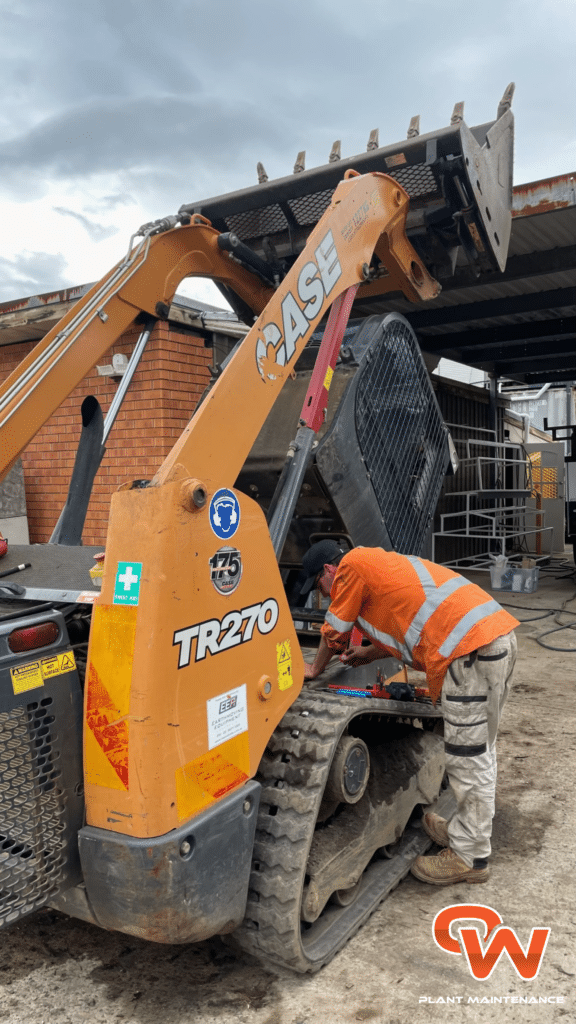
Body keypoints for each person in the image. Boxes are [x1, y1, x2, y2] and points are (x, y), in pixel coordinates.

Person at [300, 541, 519, 886]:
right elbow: (403, 631)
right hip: (489, 639)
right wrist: (368, 655)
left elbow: (334, 629)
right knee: (480, 751)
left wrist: (314, 668)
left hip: (470, 652)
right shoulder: (377, 566)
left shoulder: (351, 566)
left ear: (329, 570)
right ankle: (467, 834)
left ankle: (470, 857)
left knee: (466, 759)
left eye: (319, 587)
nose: (325, 596)